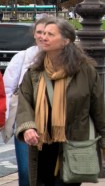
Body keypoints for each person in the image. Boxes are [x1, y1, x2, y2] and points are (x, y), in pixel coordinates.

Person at [16, 17, 105, 186]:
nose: (43, 37)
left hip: (73, 145)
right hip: (41, 147)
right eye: (43, 33)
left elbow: (99, 110)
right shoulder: (34, 72)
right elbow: (24, 102)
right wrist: (27, 127)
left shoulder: (85, 72)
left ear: (65, 40)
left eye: (50, 34)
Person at [5, 18, 47, 186]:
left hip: (53, 124)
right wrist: (8, 119)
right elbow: (8, 89)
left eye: (48, 33)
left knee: (50, 172)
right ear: (33, 34)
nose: (43, 37)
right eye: (39, 32)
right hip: (25, 121)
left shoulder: (63, 59)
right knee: (26, 172)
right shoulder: (22, 57)